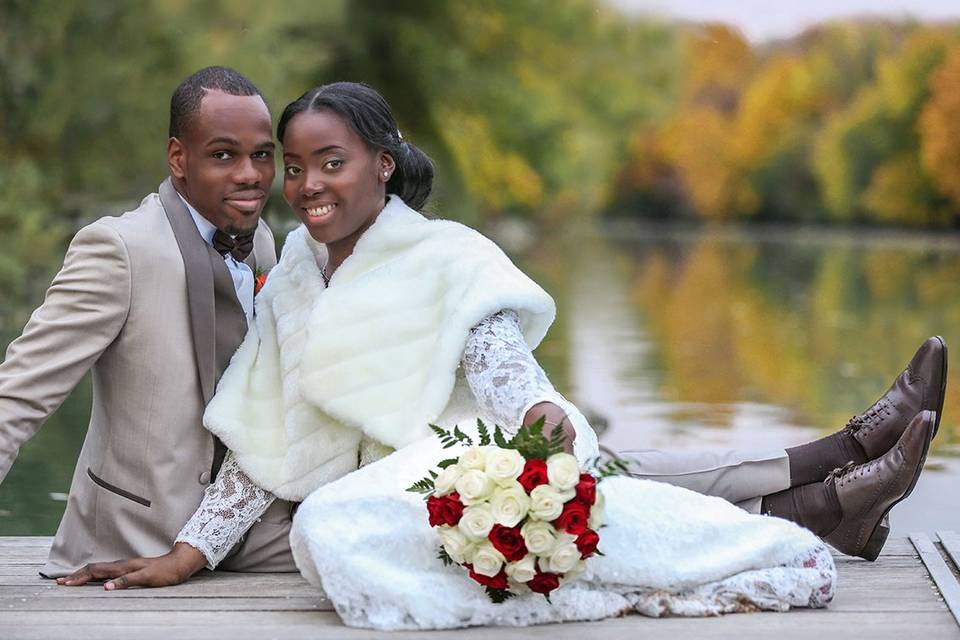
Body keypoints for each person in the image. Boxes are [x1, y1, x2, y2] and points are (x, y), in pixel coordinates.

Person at [60, 83, 945, 629]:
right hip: (363, 497)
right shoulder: (290, 271)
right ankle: (827, 489)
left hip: (444, 474)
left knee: (595, 493)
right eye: (293, 167)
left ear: (382, 162)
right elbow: (267, 437)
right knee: (346, 526)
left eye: (327, 162)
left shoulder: (445, 255)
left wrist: (536, 414)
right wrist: (188, 553)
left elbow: (501, 361)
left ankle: (822, 498)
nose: (304, 186)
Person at [0, 66, 298, 578]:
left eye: (262, 155)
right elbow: (18, 396)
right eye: (223, 155)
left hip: (248, 535)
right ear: (178, 158)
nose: (249, 174)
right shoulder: (120, 250)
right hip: (138, 534)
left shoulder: (262, 242)